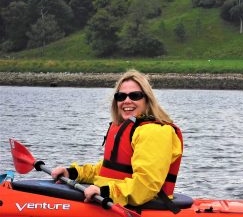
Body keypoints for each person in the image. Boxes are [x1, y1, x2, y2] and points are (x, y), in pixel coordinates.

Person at [51, 69, 183, 211]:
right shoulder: (126, 128)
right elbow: (109, 170)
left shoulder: (154, 131)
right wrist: (73, 173)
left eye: (135, 95)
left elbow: (146, 185)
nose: (127, 101)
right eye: (121, 96)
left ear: (147, 99)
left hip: (142, 207)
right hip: (111, 199)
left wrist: (107, 193)